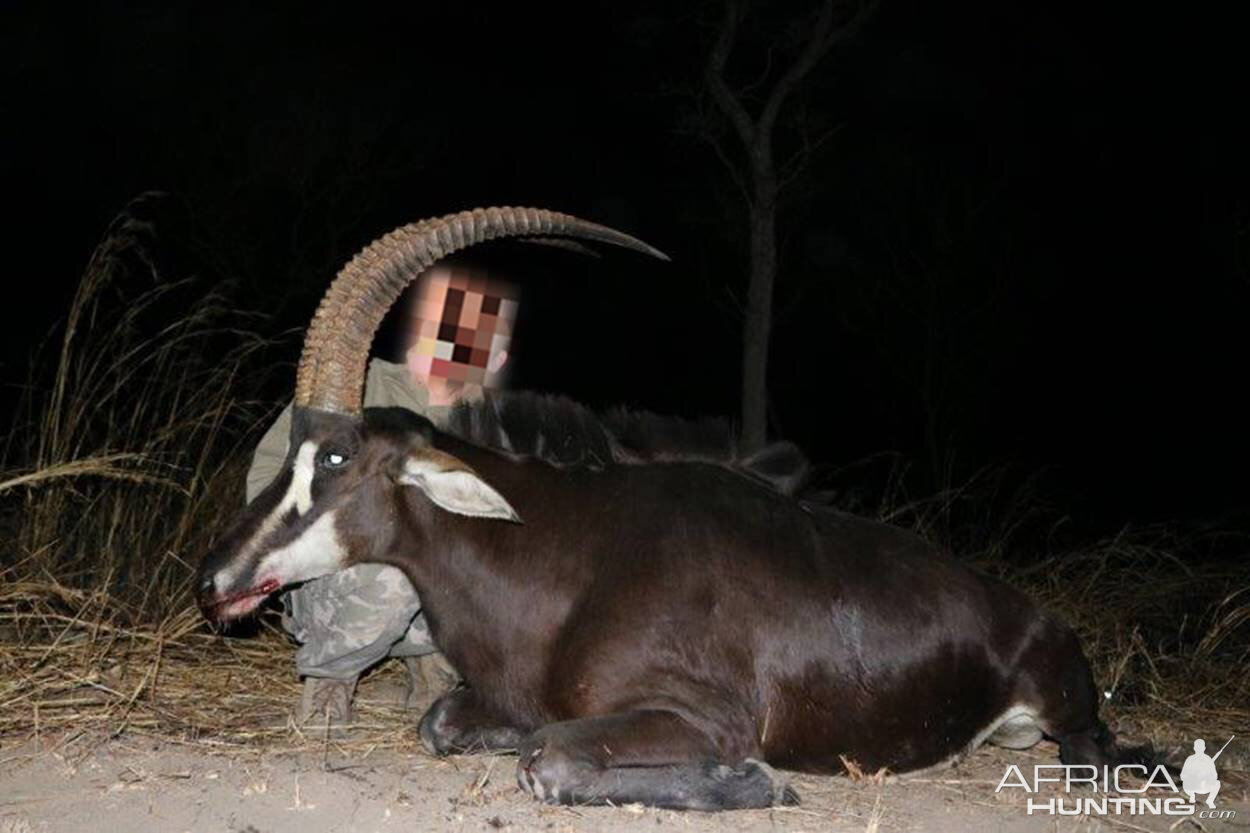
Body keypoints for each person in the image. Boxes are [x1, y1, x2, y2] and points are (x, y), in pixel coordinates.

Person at [245, 264, 519, 726]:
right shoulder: (355, 388)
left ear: (496, 361)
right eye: (447, 332)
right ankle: (331, 676)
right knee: (395, 569)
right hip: (340, 572)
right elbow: (266, 479)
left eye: (475, 341)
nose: (458, 347)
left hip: (438, 582)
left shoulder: (495, 429)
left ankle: (437, 668)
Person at [1180, 738, 1222, 808]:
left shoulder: (1208, 759)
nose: (1199, 749)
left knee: (1217, 783)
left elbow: (1215, 775)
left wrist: (1207, 776)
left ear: (1204, 748)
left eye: (1201, 747)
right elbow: (1183, 776)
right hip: (1192, 786)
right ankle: (1191, 796)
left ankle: (1210, 801)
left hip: (1204, 786)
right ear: (1194, 748)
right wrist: (1194, 776)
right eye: (1197, 747)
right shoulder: (1190, 759)